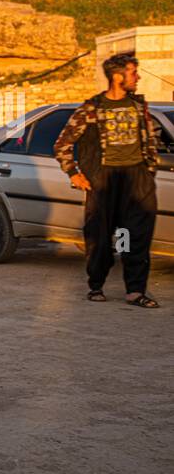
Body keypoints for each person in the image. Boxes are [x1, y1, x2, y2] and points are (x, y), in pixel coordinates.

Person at [54, 52, 160, 308]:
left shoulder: (138, 107)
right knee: (100, 237)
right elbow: (62, 143)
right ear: (117, 76)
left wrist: (149, 169)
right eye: (133, 72)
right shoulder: (91, 109)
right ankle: (96, 285)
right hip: (104, 180)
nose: (138, 77)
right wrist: (74, 174)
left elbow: (151, 139)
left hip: (136, 179)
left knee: (136, 236)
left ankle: (135, 291)